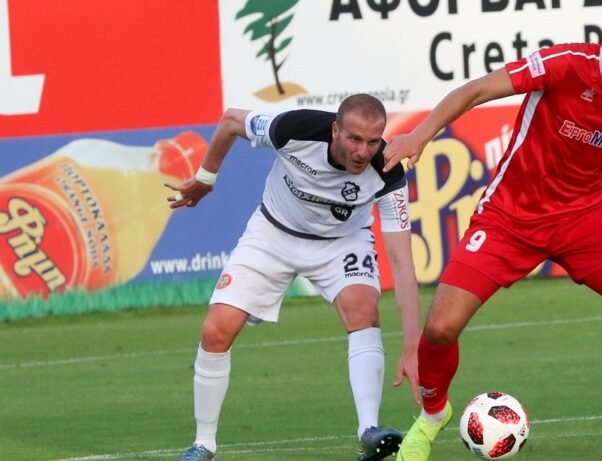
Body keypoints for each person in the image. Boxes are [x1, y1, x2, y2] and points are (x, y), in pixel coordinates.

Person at [382, 1, 602, 459]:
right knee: (442, 328)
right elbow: (475, 91)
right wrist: (420, 135)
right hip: (509, 217)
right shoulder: (565, 64)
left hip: (582, 219)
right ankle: (432, 416)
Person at [166, 94, 421, 461]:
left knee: (363, 309)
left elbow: (403, 262)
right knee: (216, 329)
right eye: (354, 138)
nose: (363, 151)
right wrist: (206, 179)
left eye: (372, 141)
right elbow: (231, 120)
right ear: (335, 130)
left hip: (341, 242)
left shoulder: (388, 169)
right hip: (273, 233)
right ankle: (203, 445)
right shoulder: (293, 128)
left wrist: (412, 346)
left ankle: (369, 431)